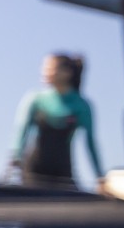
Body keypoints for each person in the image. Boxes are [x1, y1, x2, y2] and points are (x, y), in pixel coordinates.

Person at [11, 52, 105, 190]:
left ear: (66, 73)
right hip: (34, 171)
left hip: (63, 172)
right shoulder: (36, 99)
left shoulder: (82, 105)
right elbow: (22, 130)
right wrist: (16, 157)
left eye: (49, 68)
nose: (44, 72)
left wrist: (100, 177)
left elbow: (90, 143)